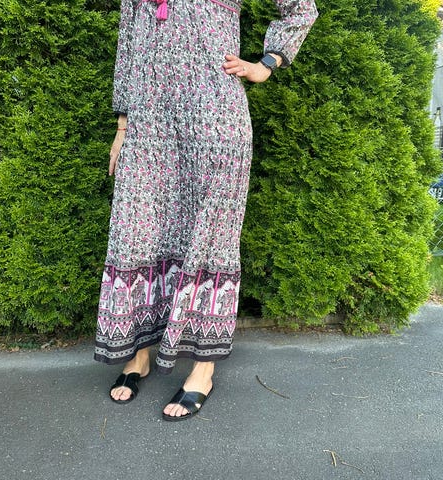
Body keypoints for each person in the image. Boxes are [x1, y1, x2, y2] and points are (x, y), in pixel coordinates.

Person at [94, 0, 318, 421]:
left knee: (210, 238)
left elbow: (300, 7)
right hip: (149, 121)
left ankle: (203, 369)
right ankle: (139, 354)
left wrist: (267, 62)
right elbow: (128, 44)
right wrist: (122, 127)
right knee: (137, 232)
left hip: (215, 116)